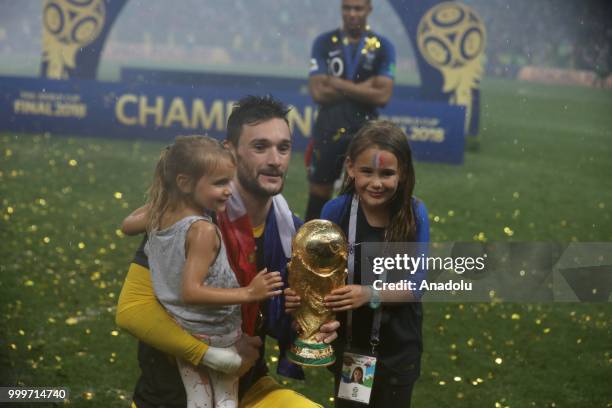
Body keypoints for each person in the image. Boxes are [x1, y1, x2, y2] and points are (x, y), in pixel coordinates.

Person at [116, 96, 339, 408]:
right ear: (230, 152)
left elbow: (275, 321)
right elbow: (132, 310)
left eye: (283, 147)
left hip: (247, 387)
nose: (275, 159)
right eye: (260, 147)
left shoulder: (292, 232)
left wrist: (311, 322)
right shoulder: (189, 217)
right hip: (173, 395)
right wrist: (214, 357)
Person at [120, 136, 285, 408]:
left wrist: (161, 201)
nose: (229, 191)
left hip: (183, 330)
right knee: (225, 400)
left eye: (229, 181)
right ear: (184, 183)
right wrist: (249, 292)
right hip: (215, 332)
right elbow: (191, 291)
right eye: (219, 183)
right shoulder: (202, 230)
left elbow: (127, 226)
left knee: (197, 400)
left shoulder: (161, 214)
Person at [287, 120, 429, 407]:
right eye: (367, 171)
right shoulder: (335, 211)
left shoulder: (414, 213)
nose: (376, 183)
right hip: (352, 350)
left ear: (402, 173)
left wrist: (368, 294)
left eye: (387, 173)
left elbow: (416, 287)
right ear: (350, 168)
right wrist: (302, 298)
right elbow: (319, 277)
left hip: (398, 352)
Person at [304, 0, 396, 221]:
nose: (352, 13)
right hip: (329, 127)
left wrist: (337, 83)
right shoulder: (324, 43)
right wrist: (365, 87)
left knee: (363, 192)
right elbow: (318, 92)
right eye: (347, 8)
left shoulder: (383, 46)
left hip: (366, 133)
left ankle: (355, 248)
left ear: (369, 9)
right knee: (319, 192)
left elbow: (383, 96)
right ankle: (309, 248)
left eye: (358, 8)